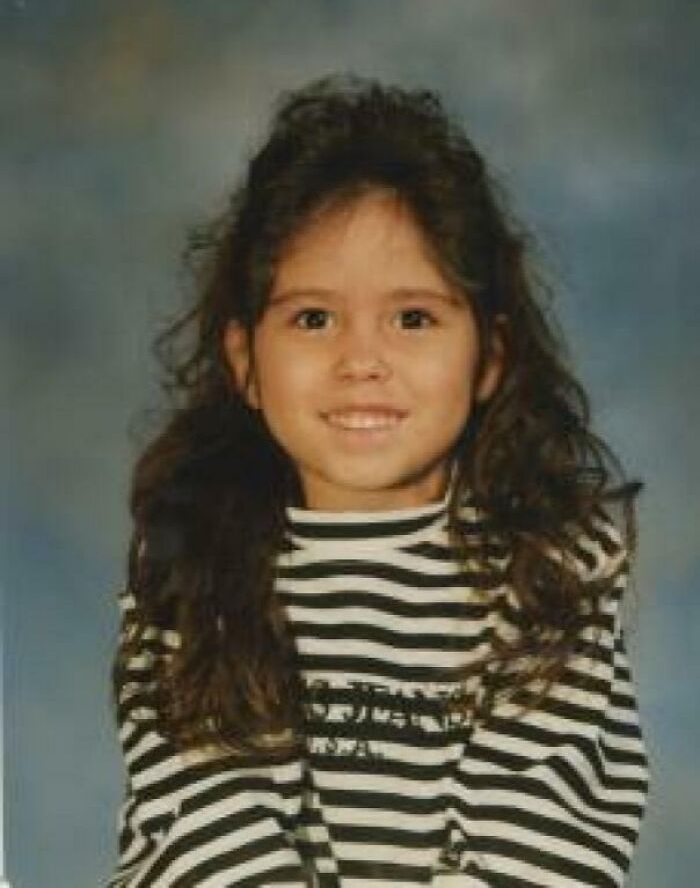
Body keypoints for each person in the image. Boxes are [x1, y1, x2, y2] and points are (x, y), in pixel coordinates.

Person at [107, 74, 649, 887]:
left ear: (489, 358)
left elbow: (544, 830)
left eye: (413, 318)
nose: (362, 361)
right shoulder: (189, 562)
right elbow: (204, 816)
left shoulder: (555, 570)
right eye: (314, 318)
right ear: (246, 360)